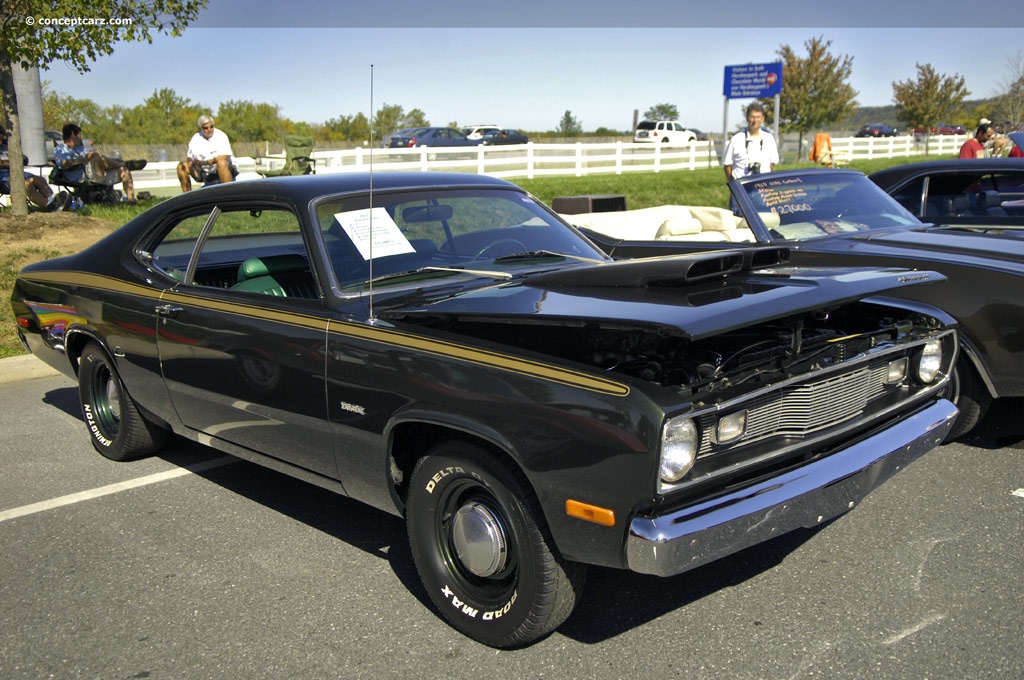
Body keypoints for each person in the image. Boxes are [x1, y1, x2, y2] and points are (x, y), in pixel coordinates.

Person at [54, 123, 146, 202]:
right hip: (82, 177)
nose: (81, 138)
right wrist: (83, 159)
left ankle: (131, 200)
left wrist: (89, 157)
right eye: (79, 135)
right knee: (96, 157)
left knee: (124, 170)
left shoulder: (80, 148)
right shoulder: (61, 149)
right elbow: (64, 164)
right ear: (73, 135)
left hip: (95, 174)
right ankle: (124, 163)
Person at [0, 126, 69, 211]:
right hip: (2, 177)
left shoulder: (6, 146)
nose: (1, 141)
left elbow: (24, 159)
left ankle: (53, 200)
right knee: (26, 184)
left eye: (2, 137)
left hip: (16, 172)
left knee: (39, 180)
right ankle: (49, 205)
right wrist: (7, 163)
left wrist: (20, 158)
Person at [177, 115, 237, 192]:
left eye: (211, 127)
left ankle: (228, 192)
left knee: (221, 163)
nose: (209, 129)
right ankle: (187, 197)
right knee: (181, 167)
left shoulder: (221, 136)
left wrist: (204, 162)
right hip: (204, 172)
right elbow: (189, 158)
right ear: (201, 128)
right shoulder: (195, 139)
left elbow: (224, 157)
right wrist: (192, 163)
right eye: (206, 128)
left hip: (224, 169)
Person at [723, 102, 779, 182]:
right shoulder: (737, 139)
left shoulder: (769, 138)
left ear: (762, 118)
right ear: (747, 118)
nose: (755, 120)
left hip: (762, 187)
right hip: (741, 187)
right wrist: (733, 185)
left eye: (758, 117)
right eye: (752, 117)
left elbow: (772, 164)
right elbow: (727, 165)